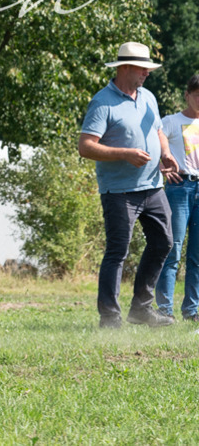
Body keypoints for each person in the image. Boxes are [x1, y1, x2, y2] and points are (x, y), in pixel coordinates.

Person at [78, 42, 177, 328]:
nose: (147, 73)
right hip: (119, 191)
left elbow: (158, 130)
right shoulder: (102, 102)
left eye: (148, 68)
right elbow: (85, 147)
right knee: (117, 252)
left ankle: (141, 310)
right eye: (142, 68)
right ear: (124, 68)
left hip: (152, 186)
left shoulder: (148, 97)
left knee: (163, 242)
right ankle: (109, 317)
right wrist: (125, 153)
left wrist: (166, 153)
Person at [156, 74, 199, 321]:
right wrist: (163, 161)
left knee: (197, 256)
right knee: (172, 250)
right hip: (180, 187)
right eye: (197, 95)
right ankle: (164, 310)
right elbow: (157, 140)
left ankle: (192, 310)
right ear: (187, 95)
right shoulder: (173, 121)